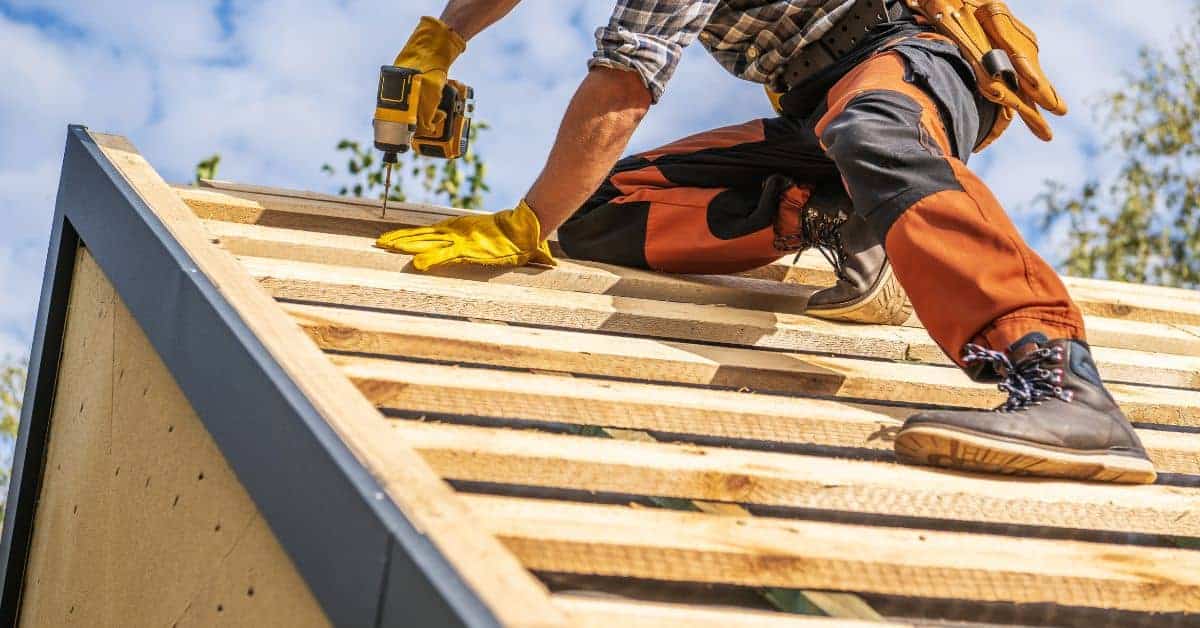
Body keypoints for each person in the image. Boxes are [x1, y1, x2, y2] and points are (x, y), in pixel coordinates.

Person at [376, 0, 1157, 484]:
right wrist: (443, 38)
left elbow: (625, 84)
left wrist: (522, 225)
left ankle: (1058, 378)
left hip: (911, 56)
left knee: (874, 128)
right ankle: (838, 216)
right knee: (599, 212)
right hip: (814, 109)